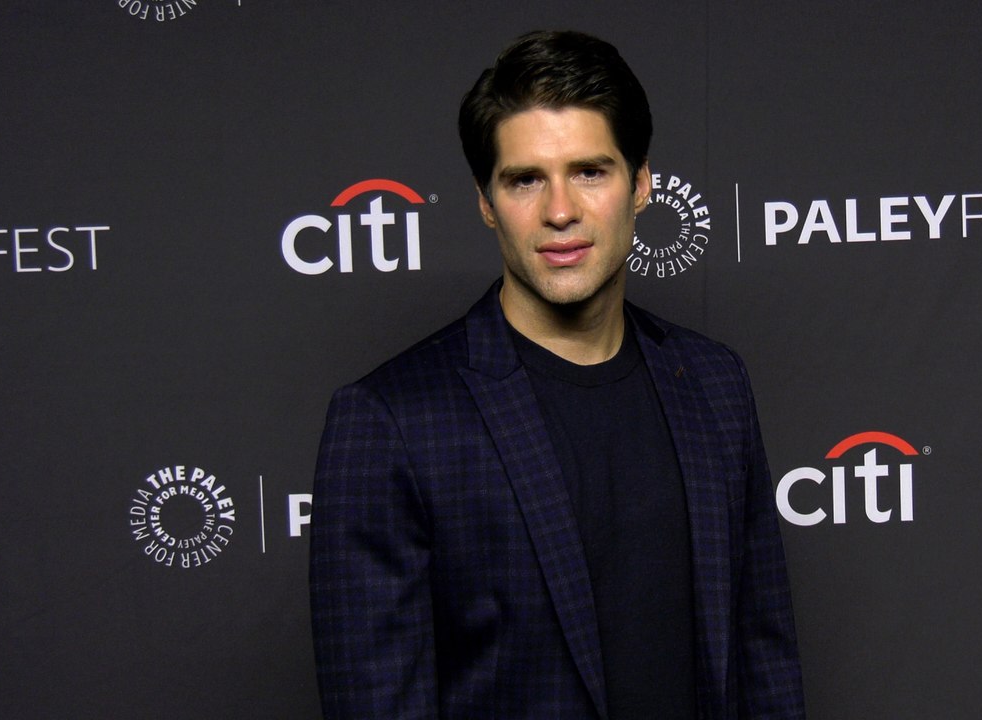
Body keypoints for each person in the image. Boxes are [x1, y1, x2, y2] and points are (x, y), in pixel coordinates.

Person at [309, 29, 804, 719]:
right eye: (524, 180)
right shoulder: (391, 420)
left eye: (590, 171)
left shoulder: (715, 384)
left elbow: (764, 664)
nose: (560, 211)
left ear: (642, 186)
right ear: (486, 203)